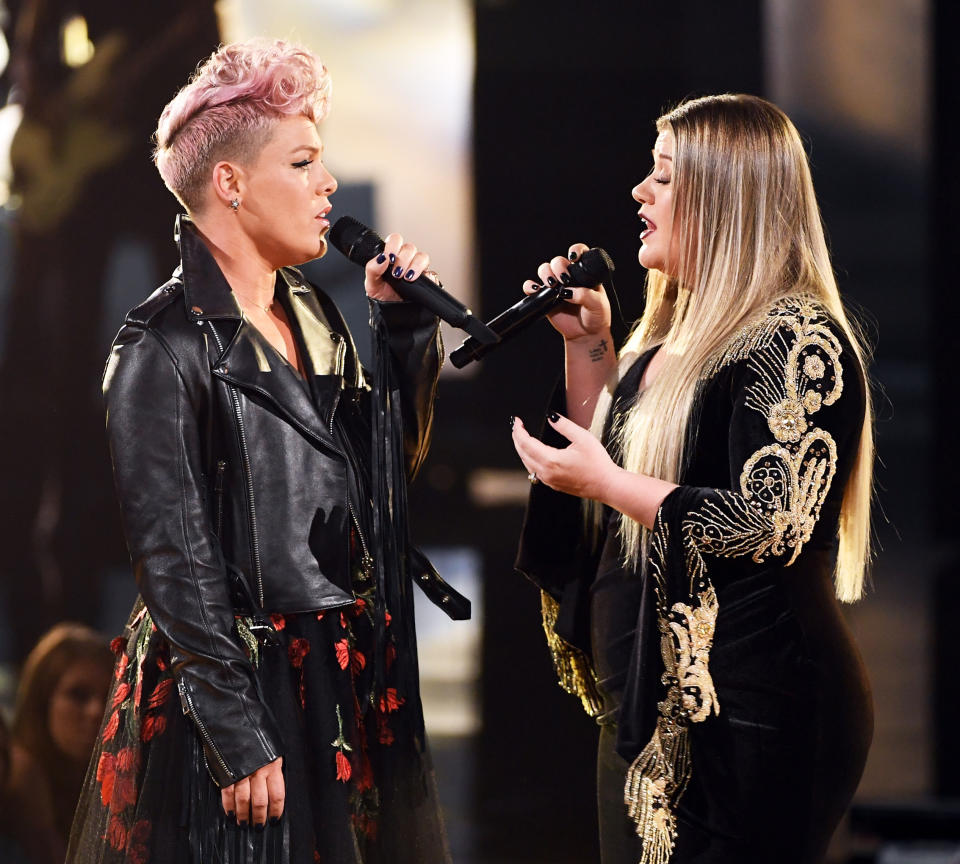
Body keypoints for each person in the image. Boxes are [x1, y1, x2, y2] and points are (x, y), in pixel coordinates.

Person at [67, 39, 454, 864]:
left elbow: (376, 483)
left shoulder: (316, 314)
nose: (329, 186)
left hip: (333, 672)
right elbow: (173, 555)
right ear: (230, 183)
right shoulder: (159, 347)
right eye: (305, 162)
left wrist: (408, 334)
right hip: (237, 681)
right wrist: (236, 729)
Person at [511, 94, 874, 864]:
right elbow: (612, 469)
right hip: (649, 703)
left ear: (726, 196)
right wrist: (590, 346)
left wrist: (608, 485)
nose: (640, 192)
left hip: (751, 709)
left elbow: (766, 522)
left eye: (665, 178)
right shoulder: (665, 336)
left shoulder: (796, 338)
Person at [2, 623, 113, 864]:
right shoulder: (12, 785)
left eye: (108, 696)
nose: (97, 710)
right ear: (42, 703)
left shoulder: (117, 794)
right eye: (78, 695)